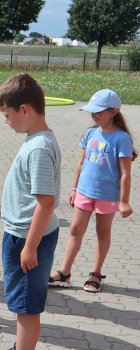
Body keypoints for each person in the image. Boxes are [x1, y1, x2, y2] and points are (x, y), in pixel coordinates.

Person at [0, 73, 61, 350]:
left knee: (26, 305)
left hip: (27, 238)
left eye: (8, 115)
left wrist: (30, 247)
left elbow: (45, 202)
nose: (5, 121)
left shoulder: (38, 148)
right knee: (23, 301)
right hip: (22, 235)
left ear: (25, 109)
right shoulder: (37, 139)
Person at [48, 89, 135, 292]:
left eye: (98, 112)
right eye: (92, 112)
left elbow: (125, 173)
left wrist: (124, 201)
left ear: (113, 112)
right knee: (75, 230)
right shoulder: (90, 133)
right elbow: (80, 163)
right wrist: (74, 188)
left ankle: (96, 272)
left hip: (107, 195)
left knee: (102, 233)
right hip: (84, 192)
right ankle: (65, 273)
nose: (94, 116)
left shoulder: (122, 139)